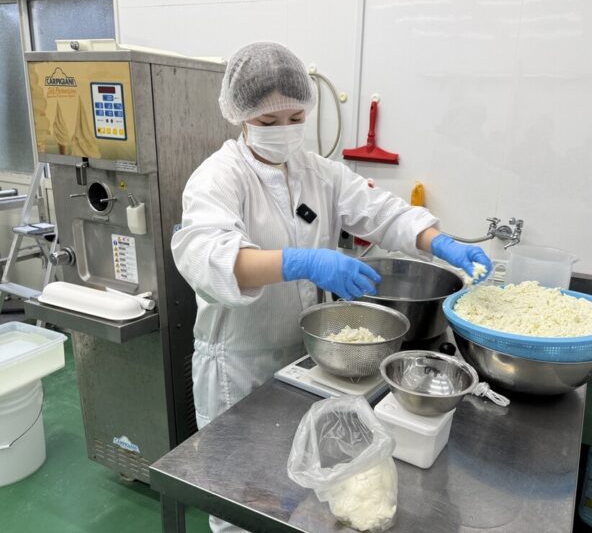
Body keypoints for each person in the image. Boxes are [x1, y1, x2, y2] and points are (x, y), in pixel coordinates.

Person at [171, 42, 491, 532]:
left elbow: (382, 211)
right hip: (240, 367)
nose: (284, 130)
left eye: (296, 117)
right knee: (243, 502)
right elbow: (209, 259)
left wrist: (440, 242)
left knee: (299, 499)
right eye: (268, 121)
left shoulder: (316, 172)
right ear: (240, 116)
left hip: (305, 363)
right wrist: (301, 261)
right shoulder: (218, 178)